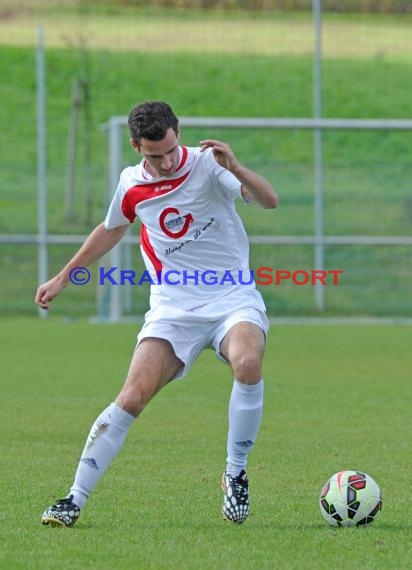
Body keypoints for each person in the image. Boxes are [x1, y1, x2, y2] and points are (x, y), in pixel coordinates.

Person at [36, 101, 278, 527]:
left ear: (178, 132)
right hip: (173, 308)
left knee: (249, 361)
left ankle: (235, 472)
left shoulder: (209, 164)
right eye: (154, 155)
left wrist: (237, 167)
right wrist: (62, 277)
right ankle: (74, 498)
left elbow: (269, 201)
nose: (165, 162)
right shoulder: (131, 185)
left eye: (170, 150)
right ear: (136, 146)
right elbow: (111, 228)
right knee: (131, 397)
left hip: (232, 297)